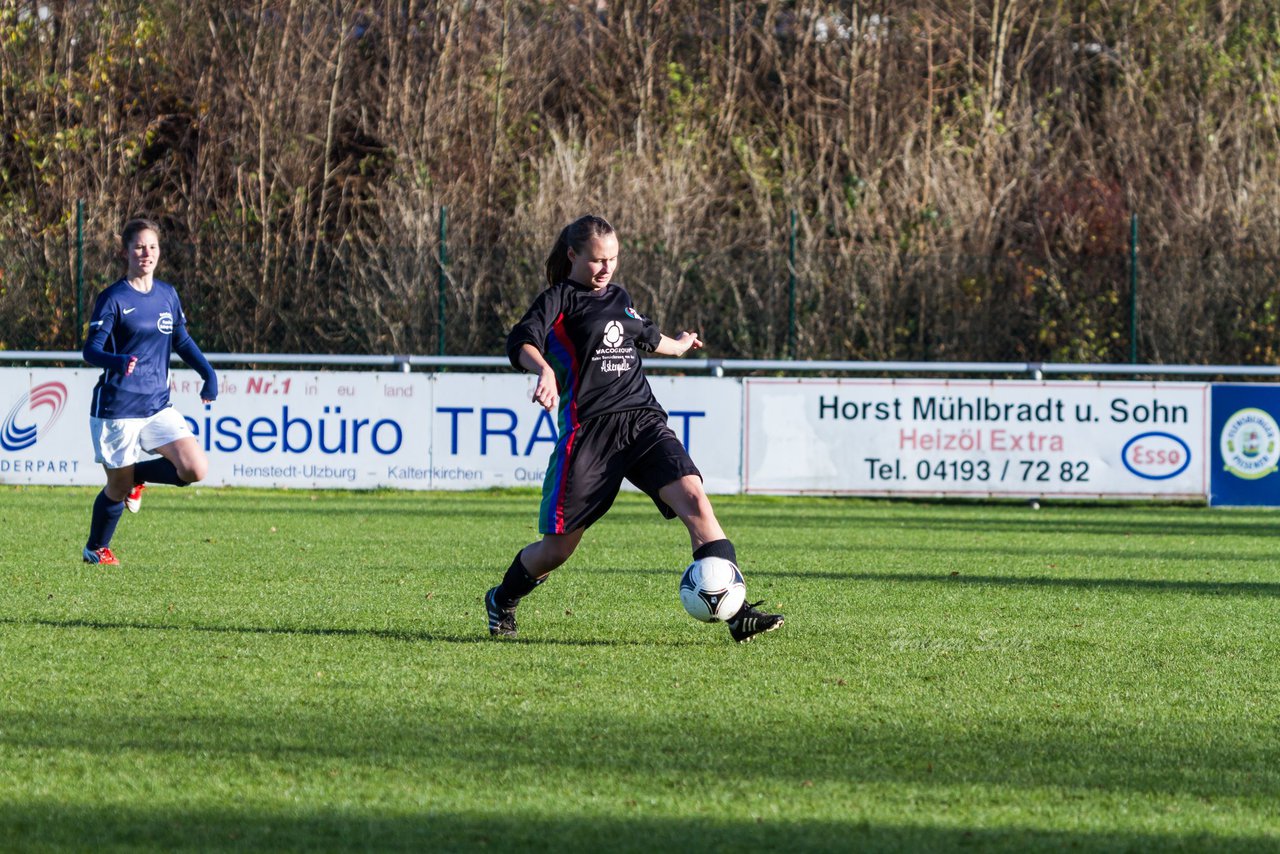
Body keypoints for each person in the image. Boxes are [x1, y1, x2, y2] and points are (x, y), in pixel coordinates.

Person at [484, 214, 784, 642]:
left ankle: (737, 613)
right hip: (590, 434)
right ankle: (502, 599)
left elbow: (644, 333)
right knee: (557, 549)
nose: (606, 269)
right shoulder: (558, 299)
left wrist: (678, 346)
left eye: (613, 259)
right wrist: (544, 371)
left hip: (642, 419)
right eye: (596, 260)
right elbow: (521, 341)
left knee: (696, 500)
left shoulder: (618, 296)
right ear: (572, 255)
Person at [80, 218, 218, 565]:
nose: (146, 253)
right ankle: (95, 549)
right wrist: (117, 360)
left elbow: (181, 340)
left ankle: (137, 477)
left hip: (157, 405)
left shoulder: (167, 295)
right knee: (117, 487)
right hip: (117, 408)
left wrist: (208, 373)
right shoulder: (113, 298)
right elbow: (90, 350)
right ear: (125, 251)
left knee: (194, 468)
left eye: (152, 246)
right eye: (139, 246)